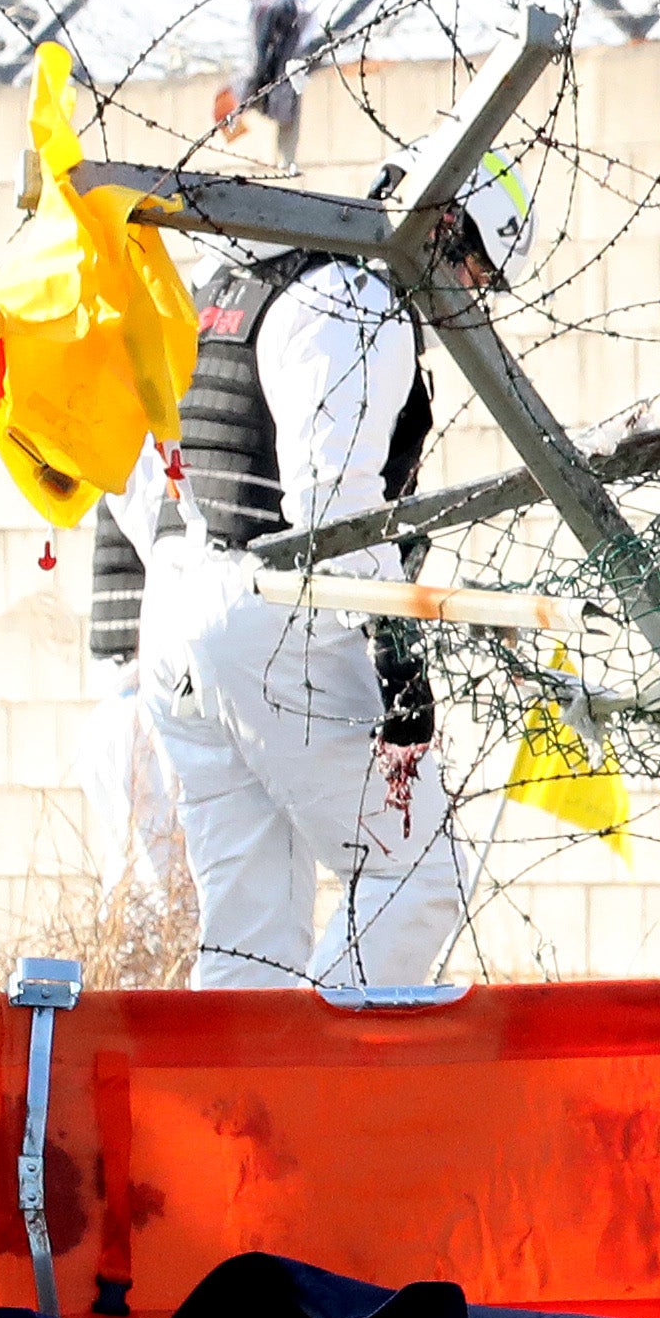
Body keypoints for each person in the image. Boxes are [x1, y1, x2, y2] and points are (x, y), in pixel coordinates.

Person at [134, 153, 526, 991]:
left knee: (249, 931)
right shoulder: (359, 300)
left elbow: (154, 472)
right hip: (272, 616)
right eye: (477, 271)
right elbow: (333, 509)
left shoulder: (241, 272)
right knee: (414, 878)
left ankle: (245, 1115)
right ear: (443, 229)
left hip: (173, 611)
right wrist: (396, 660)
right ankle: (326, 1099)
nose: (472, 298)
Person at [74, 474, 195, 934]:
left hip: (120, 695)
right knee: (163, 910)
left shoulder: (128, 437)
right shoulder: (150, 450)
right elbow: (175, 555)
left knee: (136, 897)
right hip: (140, 701)